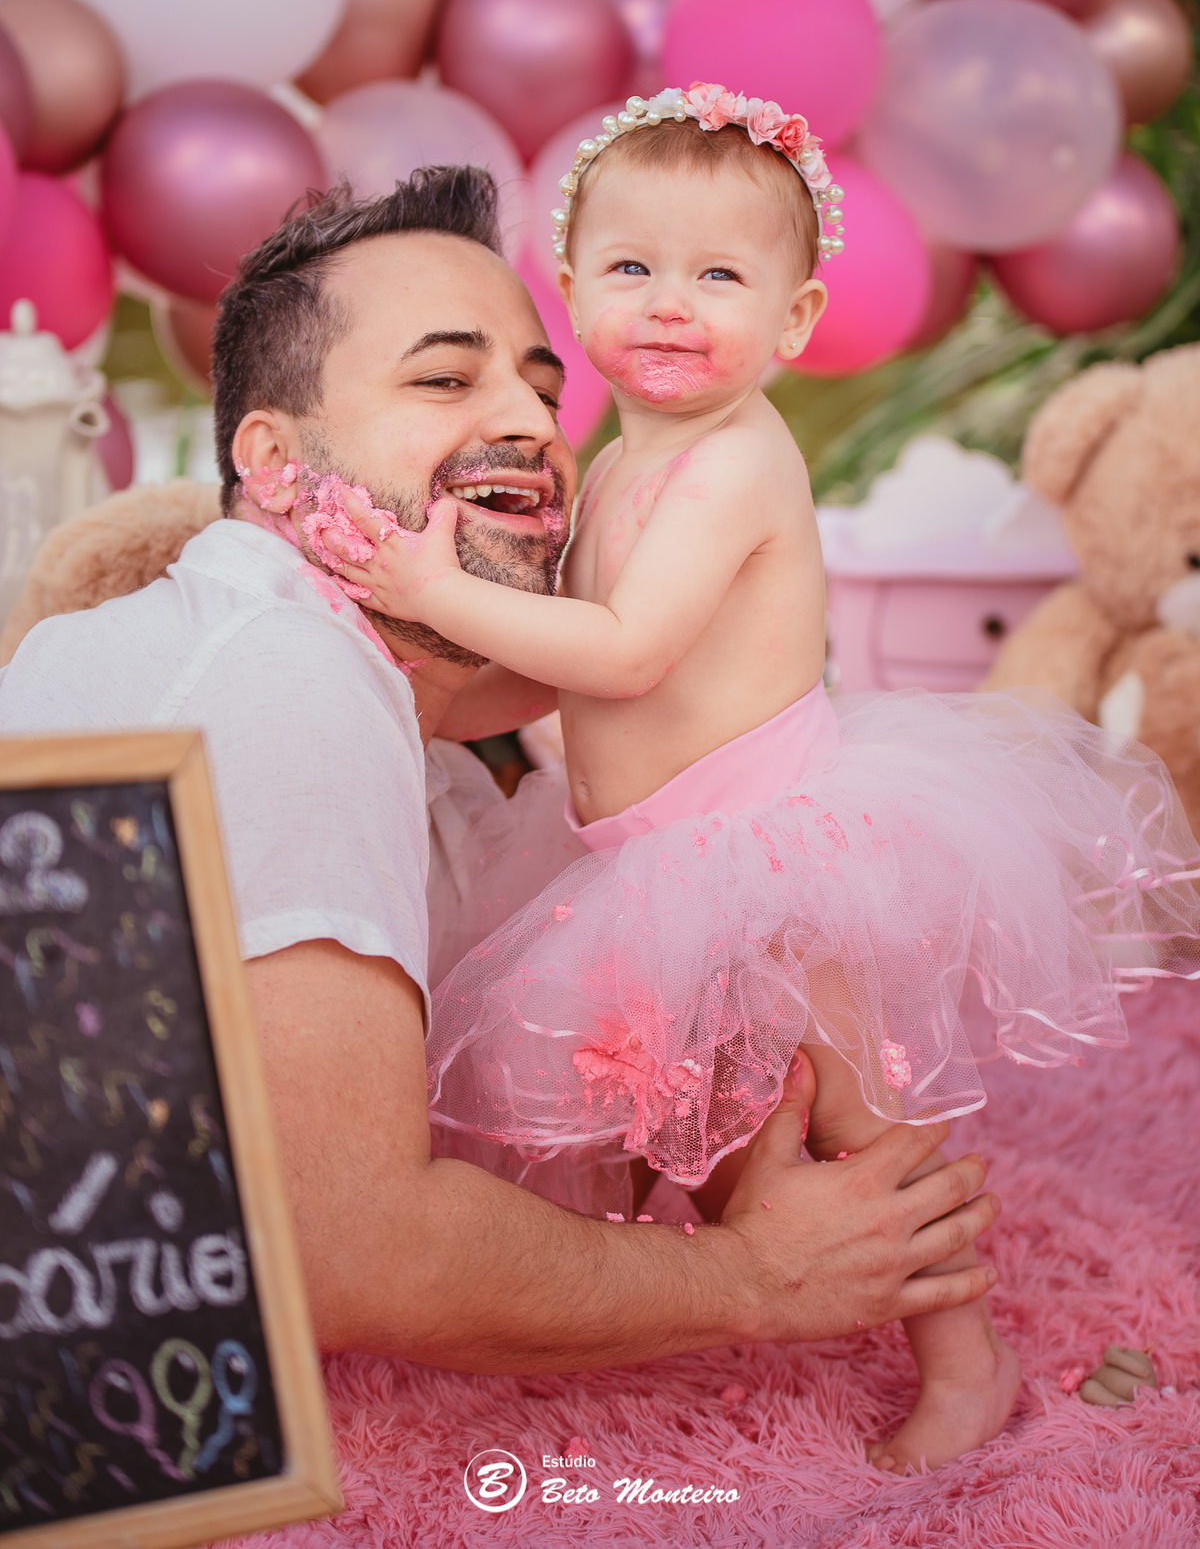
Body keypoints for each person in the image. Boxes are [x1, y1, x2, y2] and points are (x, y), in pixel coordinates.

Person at [317, 90, 1200, 1468]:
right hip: (643, 852)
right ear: (573, 293)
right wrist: (420, 668)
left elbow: (625, 646)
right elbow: (566, 672)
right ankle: (716, 1283)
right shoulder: (619, 461)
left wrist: (430, 581)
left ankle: (967, 1355)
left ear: (792, 323)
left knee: (855, 1115)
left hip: (768, 848)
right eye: (632, 268)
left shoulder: (733, 464)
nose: (670, 303)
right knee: (704, 1098)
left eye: (719, 276)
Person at [0, 166, 1004, 1378]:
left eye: (543, 386)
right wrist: (755, 1278)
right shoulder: (283, 680)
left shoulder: (321, 672)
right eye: (442, 376)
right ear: (270, 460)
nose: (531, 425)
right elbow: (352, 1247)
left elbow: (608, 670)